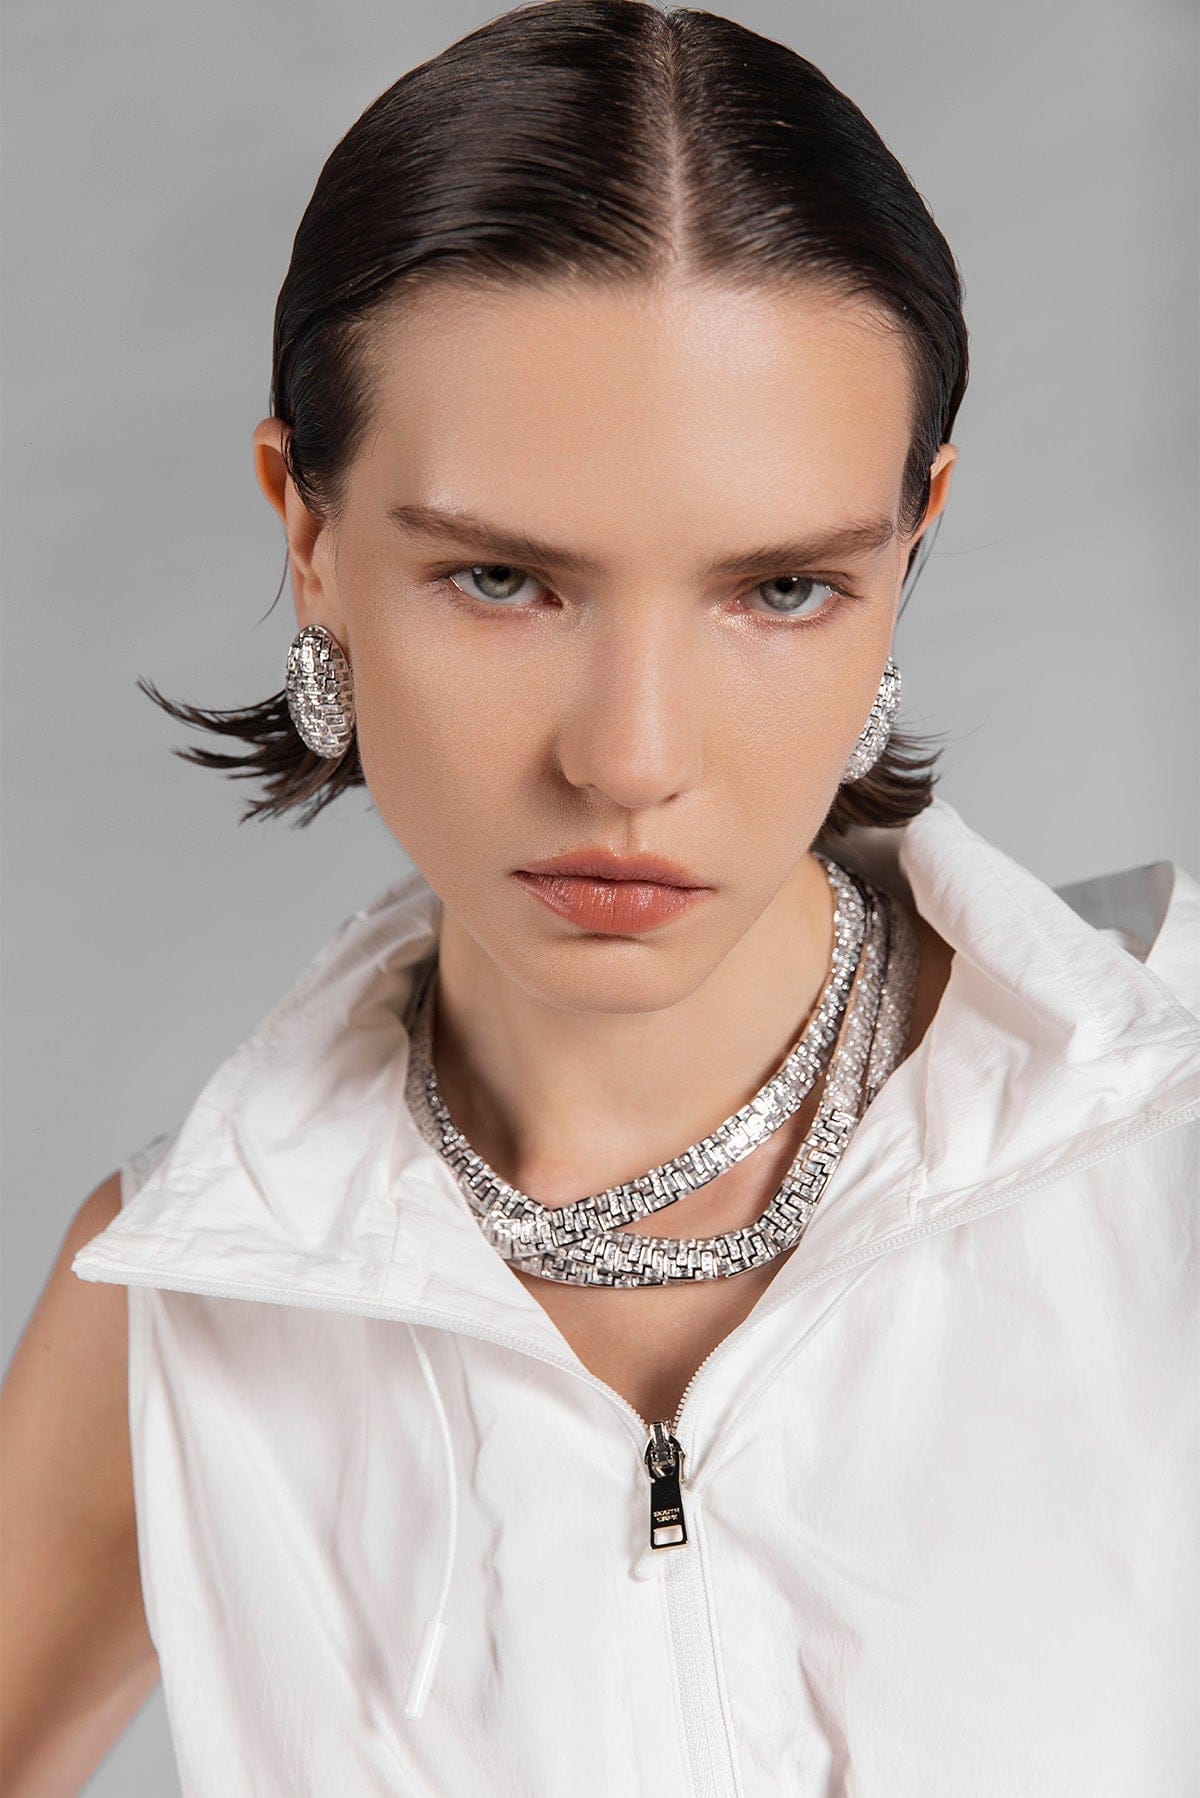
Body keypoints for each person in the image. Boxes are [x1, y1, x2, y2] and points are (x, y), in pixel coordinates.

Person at [3, 2, 1197, 1793]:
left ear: (913, 536)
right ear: (309, 531)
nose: (632, 759)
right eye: (503, 577)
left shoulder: (1165, 1124)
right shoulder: (179, 1306)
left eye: (780, 586)